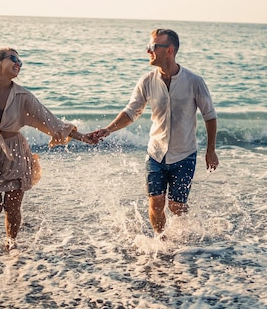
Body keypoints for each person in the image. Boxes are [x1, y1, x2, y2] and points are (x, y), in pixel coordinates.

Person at [0, 48, 96, 249]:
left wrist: (83, 137)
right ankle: (8, 210)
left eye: (20, 60)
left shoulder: (23, 95)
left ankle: (11, 245)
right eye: (13, 58)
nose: (18, 63)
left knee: (12, 208)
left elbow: (51, 121)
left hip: (15, 155)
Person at [93, 29, 218, 236]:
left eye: (153, 47)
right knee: (156, 203)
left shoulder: (194, 81)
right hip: (156, 153)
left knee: (176, 207)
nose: (147, 50)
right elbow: (131, 112)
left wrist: (211, 150)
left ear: (168, 50)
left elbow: (210, 116)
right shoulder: (147, 81)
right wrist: (108, 129)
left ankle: (184, 236)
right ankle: (161, 242)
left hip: (185, 154)